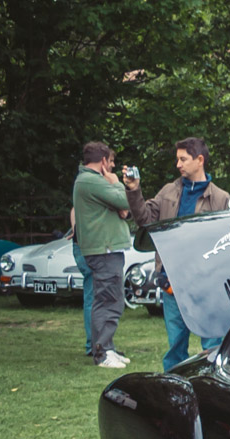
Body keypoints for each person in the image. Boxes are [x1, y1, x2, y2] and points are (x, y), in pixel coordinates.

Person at [123, 137, 230, 371]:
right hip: (172, 283)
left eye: (183, 159)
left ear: (199, 160)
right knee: (175, 347)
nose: (178, 165)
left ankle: (212, 386)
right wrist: (134, 190)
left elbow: (229, 244)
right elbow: (144, 219)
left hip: (206, 285)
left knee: (212, 345)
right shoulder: (168, 192)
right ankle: (174, 389)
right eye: (177, 159)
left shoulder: (221, 198)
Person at [72, 142, 132, 368]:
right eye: (112, 161)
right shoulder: (91, 180)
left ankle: (108, 347)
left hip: (106, 249)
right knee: (107, 301)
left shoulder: (89, 181)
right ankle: (103, 353)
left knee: (111, 300)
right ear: (103, 161)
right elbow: (126, 201)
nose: (113, 166)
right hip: (103, 250)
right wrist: (116, 184)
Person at [69, 207, 94, 356]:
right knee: (94, 295)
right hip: (88, 246)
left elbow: (74, 208)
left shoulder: (82, 191)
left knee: (91, 294)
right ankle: (94, 345)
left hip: (80, 243)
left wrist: (74, 229)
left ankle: (94, 344)